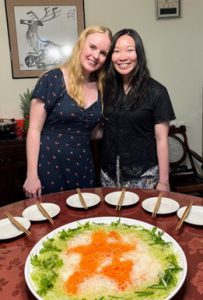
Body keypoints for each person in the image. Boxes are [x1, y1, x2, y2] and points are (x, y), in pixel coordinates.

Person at [23, 25, 112, 198]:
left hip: (83, 167)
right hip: (49, 167)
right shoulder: (52, 79)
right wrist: (31, 175)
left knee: (84, 222)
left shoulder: (102, 88)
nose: (96, 56)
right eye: (92, 47)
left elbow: (91, 132)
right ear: (80, 45)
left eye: (103, 53)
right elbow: (34, 130)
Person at [100, 28, 176, 191]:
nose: (122, 57)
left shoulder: (157, 91)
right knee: (112, 216)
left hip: (144, 176)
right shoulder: (106, 89)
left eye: (130, 50)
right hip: (109, 175)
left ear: (139, 55)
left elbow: (162, 140)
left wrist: (164, 182)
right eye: (116, 51)